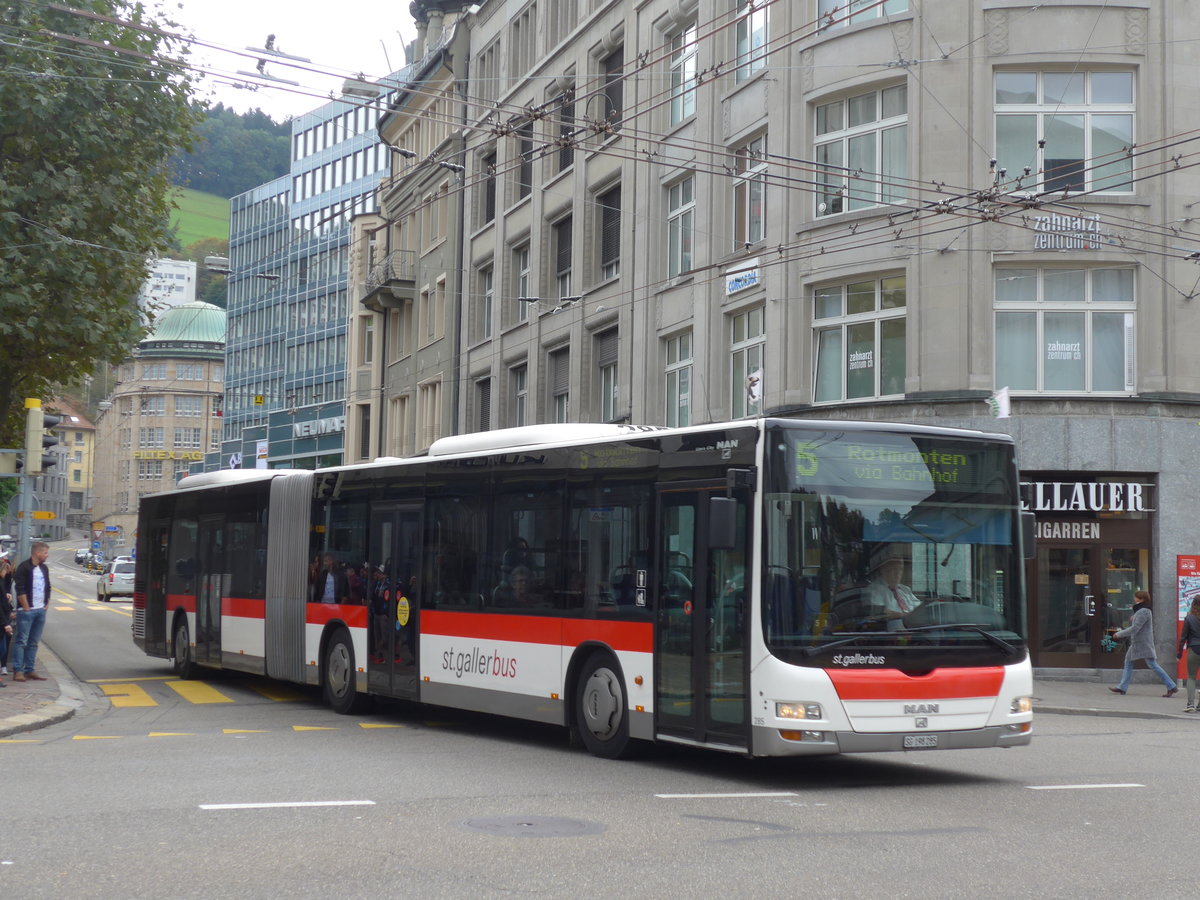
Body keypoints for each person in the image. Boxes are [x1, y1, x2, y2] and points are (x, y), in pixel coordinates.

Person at [1109, 589, 1177, 697]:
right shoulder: (1142, 610)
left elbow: (1135, 628)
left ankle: (1171, 685)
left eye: (1136, 597)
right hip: (1138, 642)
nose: (1134, 598)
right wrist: (1134, 617)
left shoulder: (1143, 611)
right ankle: (1122, 687)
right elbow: (1138, 624)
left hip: (1142, 643)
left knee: (1152, 664)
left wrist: (1119, 634)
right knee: (1128, 661)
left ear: (1141, 599)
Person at [12, 540, 51, 682]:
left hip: (40, 609)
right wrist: (26, 606)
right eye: (45, 553)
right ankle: (18, 670)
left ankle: (30, 669)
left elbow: (48, 586)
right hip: (27, 611)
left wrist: (47, 603)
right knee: (22, 640)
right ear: (37, 553)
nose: (47, 556)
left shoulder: (44, 568)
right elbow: (20, 588)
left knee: (34, 642)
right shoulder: (24, 568)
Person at [862, 547, 920, 631]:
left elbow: (918, 609)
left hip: (913, 630)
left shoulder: (905, 589)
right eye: (894, 569)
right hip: (889, 635)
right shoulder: (873, 590)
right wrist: (907, 616)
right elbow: (883, 614)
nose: (898, 573)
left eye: (900, 569)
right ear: (883, 570)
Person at [1176, 596, 1200, 712]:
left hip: (1194, 649)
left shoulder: (1189, 618)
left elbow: (1183, 637)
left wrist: (1179, 653)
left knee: (1191, 677)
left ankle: (1190, 704)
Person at [0, 557, 13, 686]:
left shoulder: (3, 581)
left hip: (3, 619)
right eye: (5, 570)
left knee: (3, 648)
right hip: (2, 621)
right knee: (2, 648)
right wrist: (6, 623)